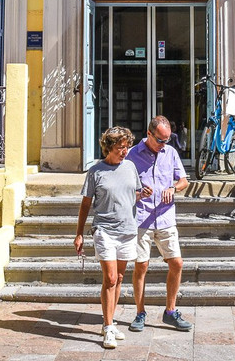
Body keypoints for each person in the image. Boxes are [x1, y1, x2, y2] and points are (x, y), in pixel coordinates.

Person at [75, 126, 151, 349]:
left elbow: (131, 195)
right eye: (120, 147)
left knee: (118, 278)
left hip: (128, 230)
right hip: (104, 230)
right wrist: (79, 233)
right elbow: (85, 205)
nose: (124, 151)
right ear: (108, 147)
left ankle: (110, 320)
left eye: (126, 146)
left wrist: (142, 194)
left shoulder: (130, 167)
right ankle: (108, 327)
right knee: (109, 278)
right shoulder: (95, 172)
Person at [126, 115, 193, 332]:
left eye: (167, 140)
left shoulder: (171, 153)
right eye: (160, 140)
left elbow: (184, 180)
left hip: (165, 217)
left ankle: (171, 311)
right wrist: (137, 193)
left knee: (177, 263)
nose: (163, 144)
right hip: (141, 217)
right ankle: (140, 312)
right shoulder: (131, 156)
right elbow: (123, 186)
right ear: (149, 134)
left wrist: (173, 188)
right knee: (141, 266)